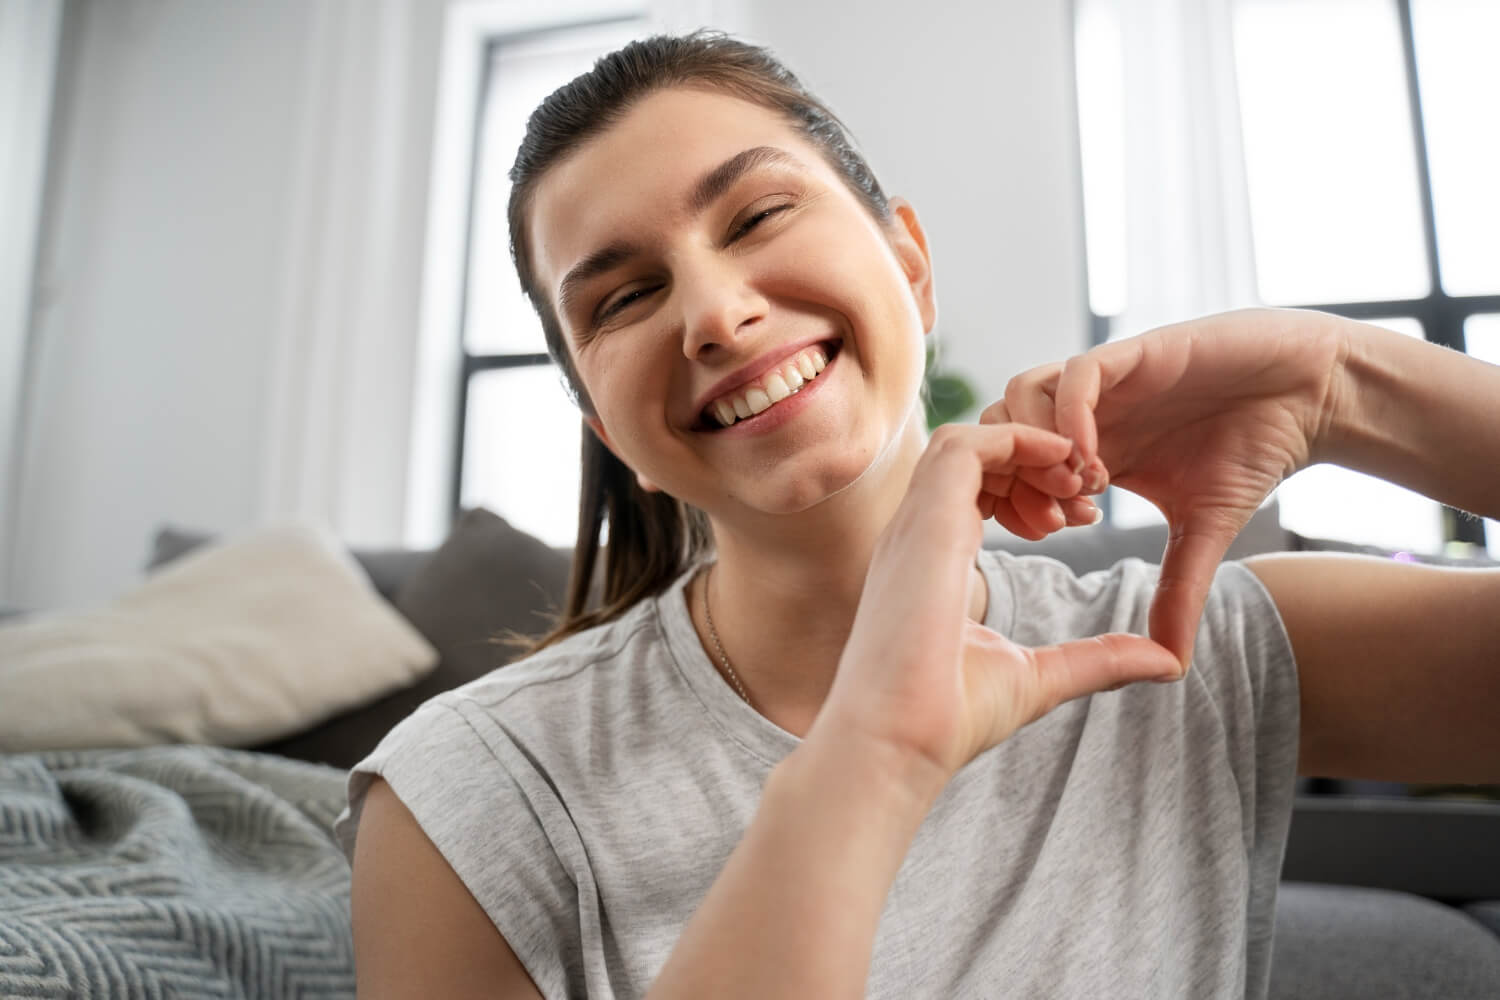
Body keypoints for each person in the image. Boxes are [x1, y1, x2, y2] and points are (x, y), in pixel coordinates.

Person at [333, 30, 1500, 1000]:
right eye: (627, 294)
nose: (715, 313)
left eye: (753, 217)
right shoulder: (466, 794)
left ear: (911, 262)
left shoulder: (1187, 650)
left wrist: (1348, 386)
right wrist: (872, 756)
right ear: (606, 429)